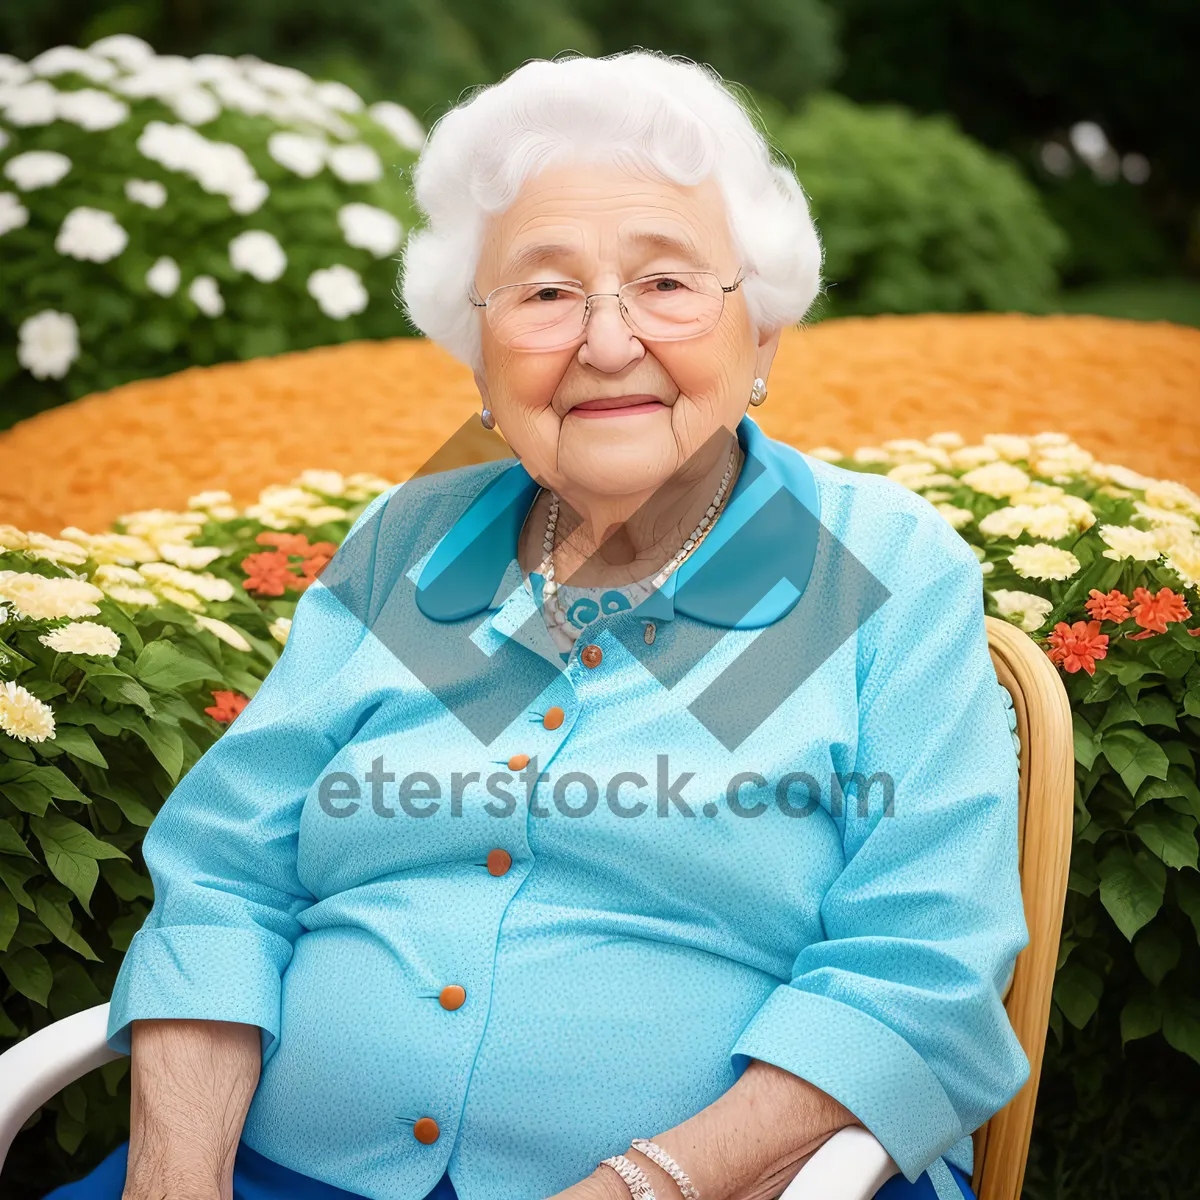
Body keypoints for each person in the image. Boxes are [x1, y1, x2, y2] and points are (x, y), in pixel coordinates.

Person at [46, 49, 1028, 1200]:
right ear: (481, 354)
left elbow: (919, 970)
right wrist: (174, 1177)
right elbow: (228, 877)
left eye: (666, 284)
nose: (607, 343)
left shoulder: (861, 568)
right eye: (547, 293)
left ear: (760, 333)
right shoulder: (424, 546)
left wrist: (644, 1185)